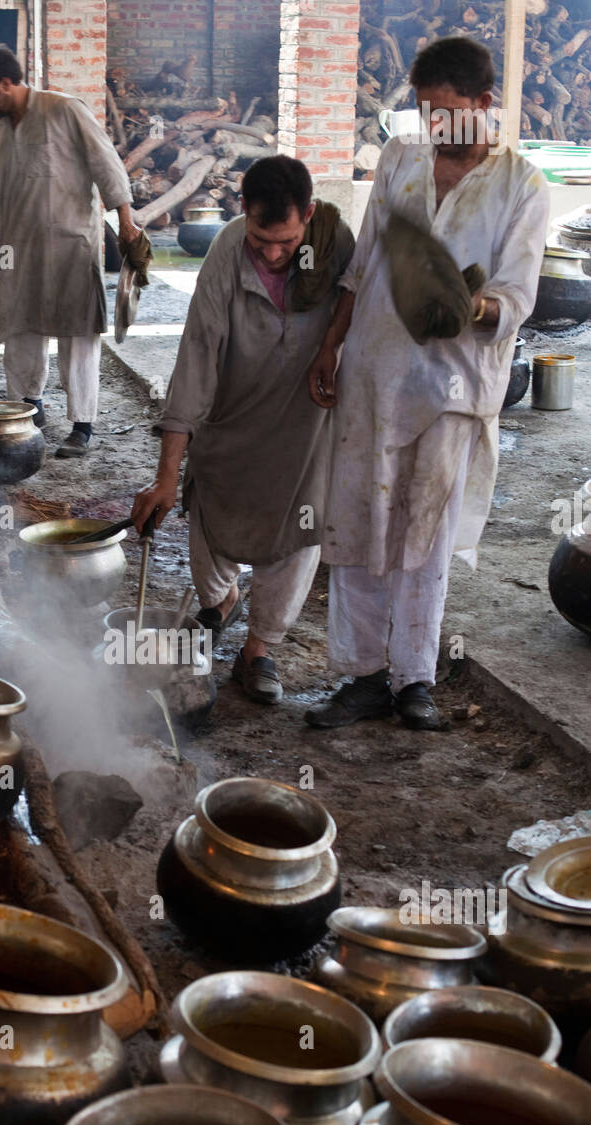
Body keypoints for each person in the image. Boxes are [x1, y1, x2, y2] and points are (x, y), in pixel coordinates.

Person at [305, 35, 550, 731]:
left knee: (425, 532)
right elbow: (363, 265)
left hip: (453, 386)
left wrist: (469, 304)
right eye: (425, 113)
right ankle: (360, 676)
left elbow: (518, 292)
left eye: (448, 113)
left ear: (484, 104)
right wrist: (331, 343)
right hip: (375, 373)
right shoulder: (400, 159)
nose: (436, 127)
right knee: (358, 521)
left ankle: (415, 678)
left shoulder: (521, 184)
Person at [131, 155, 354, 704]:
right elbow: (197, 360)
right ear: (242, 213)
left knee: (298, 531)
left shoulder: (335, 244)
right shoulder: (228, 251)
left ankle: (259, 651)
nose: (273, 254)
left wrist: (330, 348)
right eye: (260, 238)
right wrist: (165, 476)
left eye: (285, 241)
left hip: (305, 428)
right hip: (229, 421)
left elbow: (357, 304)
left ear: (309, 214)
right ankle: (221, 602)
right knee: (209, 514)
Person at [0, 43, 141, 458]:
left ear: (7, 83)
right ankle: (27, 407)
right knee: (21, 328)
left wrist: (126, 222)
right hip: (18, 250)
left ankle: (82, 425)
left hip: (73, 245)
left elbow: (107, 166)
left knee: (78, 333)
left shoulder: (65, 110)